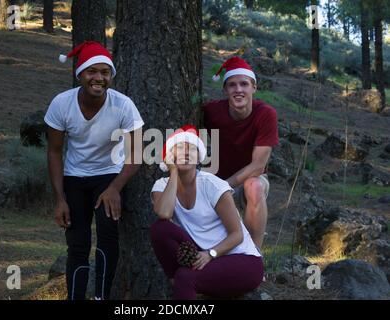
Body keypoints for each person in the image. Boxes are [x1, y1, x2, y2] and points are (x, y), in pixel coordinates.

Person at [45, 41, 144, 300]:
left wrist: (114, 188)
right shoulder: (61, 104)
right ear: (80, 74)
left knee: (108, 237)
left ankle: (101, 297)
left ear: (111, 76)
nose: (99, 78)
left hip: (110, 174)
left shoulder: (123, 105)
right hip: (74, 177)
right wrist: (60, 198)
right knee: (77, 244)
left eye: (105, 72)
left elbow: (136, 154)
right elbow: (54, 151)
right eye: (92, 71)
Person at [150, 125, 263, 300]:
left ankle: (185, 280)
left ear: (199, 157)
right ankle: (177, 279)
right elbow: (164, 213)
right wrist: (173, 171)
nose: (186, 153)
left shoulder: (213, 185)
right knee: (160, 229)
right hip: (202, 256)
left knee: (185, 278)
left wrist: (211, 254)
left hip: (241, 259)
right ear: (168, 156)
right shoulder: (161, 185)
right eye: (179, 148)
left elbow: (237, 235)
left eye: (192, 149)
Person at [203, 56, 279, 249]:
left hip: (246, 180)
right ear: (225, 90)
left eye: (244, 84)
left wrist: (224, 186)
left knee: (254, 186)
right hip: (216, 180)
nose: (238, 90)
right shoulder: (211, 112)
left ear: (254, 87)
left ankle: (254, 254)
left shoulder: (265, 114)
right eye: (232, 85)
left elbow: (258, 166)